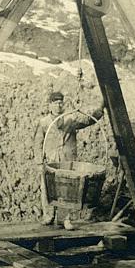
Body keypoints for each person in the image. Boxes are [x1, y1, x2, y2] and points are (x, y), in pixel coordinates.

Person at [34, 90, 105, 230]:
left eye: (60, 103)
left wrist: (101, 108)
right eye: (55, 103)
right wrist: (39, 162)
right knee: (47, 187)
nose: (58, 106)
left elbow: (88, 120)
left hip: (67, 160)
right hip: (51, 160)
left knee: (67, 190)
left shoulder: (70, 120)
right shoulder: (43, 122)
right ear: (50, 105)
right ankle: (48, 215)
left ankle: (64, 219)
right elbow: (38, 143)